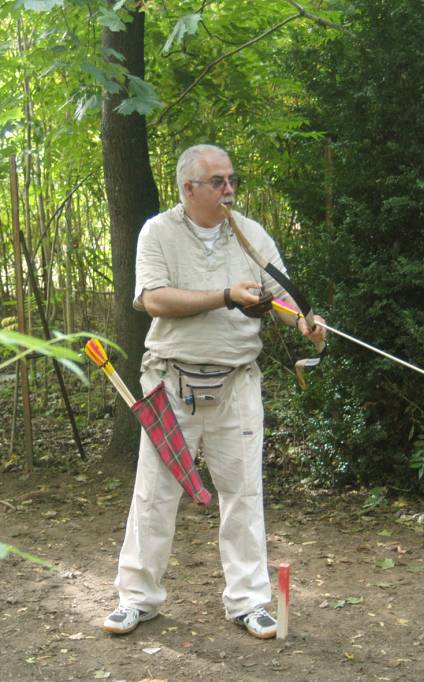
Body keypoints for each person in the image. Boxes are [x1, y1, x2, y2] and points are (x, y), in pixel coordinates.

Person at [103, 144, 326, 639]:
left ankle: (249, 602)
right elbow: (154, 299)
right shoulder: (157, 232)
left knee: (244, 493)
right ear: (188, 188)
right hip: (170, 382)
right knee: (154, 494)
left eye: (232, 180)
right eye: (218, 181)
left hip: (236, 383)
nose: (229, 190)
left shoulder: (250, 233)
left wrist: (304, 323)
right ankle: (137, 598)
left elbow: (283, 295)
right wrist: (225, 296)